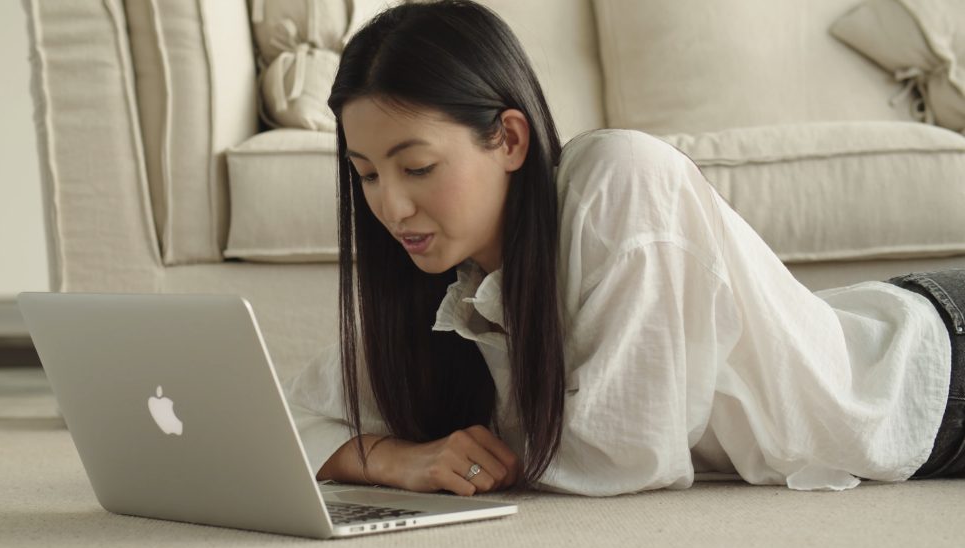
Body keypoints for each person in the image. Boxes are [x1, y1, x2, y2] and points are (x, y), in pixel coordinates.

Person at [282, 0, 965, 497]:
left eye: (418, 167)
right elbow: (283, 416)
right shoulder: (449, 285)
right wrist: (393, 460)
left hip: (935, 377)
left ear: (511, 140)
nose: (391, 207)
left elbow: (625, 455)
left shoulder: (619, 185)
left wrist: (430, 450)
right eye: (366, 174)